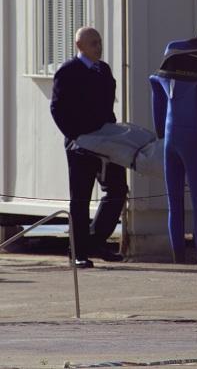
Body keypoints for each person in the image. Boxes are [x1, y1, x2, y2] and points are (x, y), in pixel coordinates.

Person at [50, 27, 128, 268]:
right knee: (80, 198)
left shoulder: (103, 70)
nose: (98, 46)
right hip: (80, 143)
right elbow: (57, 108)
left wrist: (113, 133)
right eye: (93, 43)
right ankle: (79, 252)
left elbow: (107, 106)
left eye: (99, 42)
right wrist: (74, 136)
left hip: (105, 140)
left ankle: (96, 240)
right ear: (80, 46)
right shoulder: (69, 71)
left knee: (117, 189)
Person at [149, 35, 197, 265]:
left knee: (174, 201)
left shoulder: (161, 79)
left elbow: (156, 103)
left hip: (169, 140)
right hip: (191, 140)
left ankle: (177, 256)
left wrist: (160, 131)